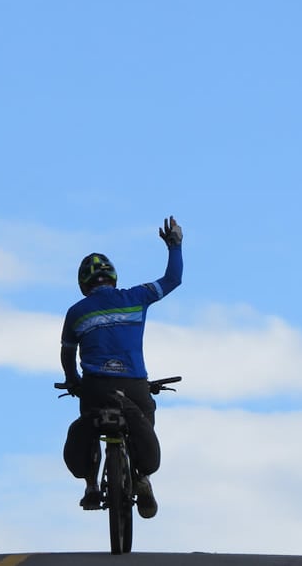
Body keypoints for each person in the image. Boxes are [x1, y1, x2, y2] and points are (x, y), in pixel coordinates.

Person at [59, 215, 183, 519]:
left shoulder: (76, 312)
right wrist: (175, 246)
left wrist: (72, 380)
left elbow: (67, 354)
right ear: (113, 277)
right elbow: (173, 280)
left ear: (83, 284)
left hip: (95, 387)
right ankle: (143, 479)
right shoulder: (136, 297)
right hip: (134, 386)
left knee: (89, 422)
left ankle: (90, 485)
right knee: (146, 414)